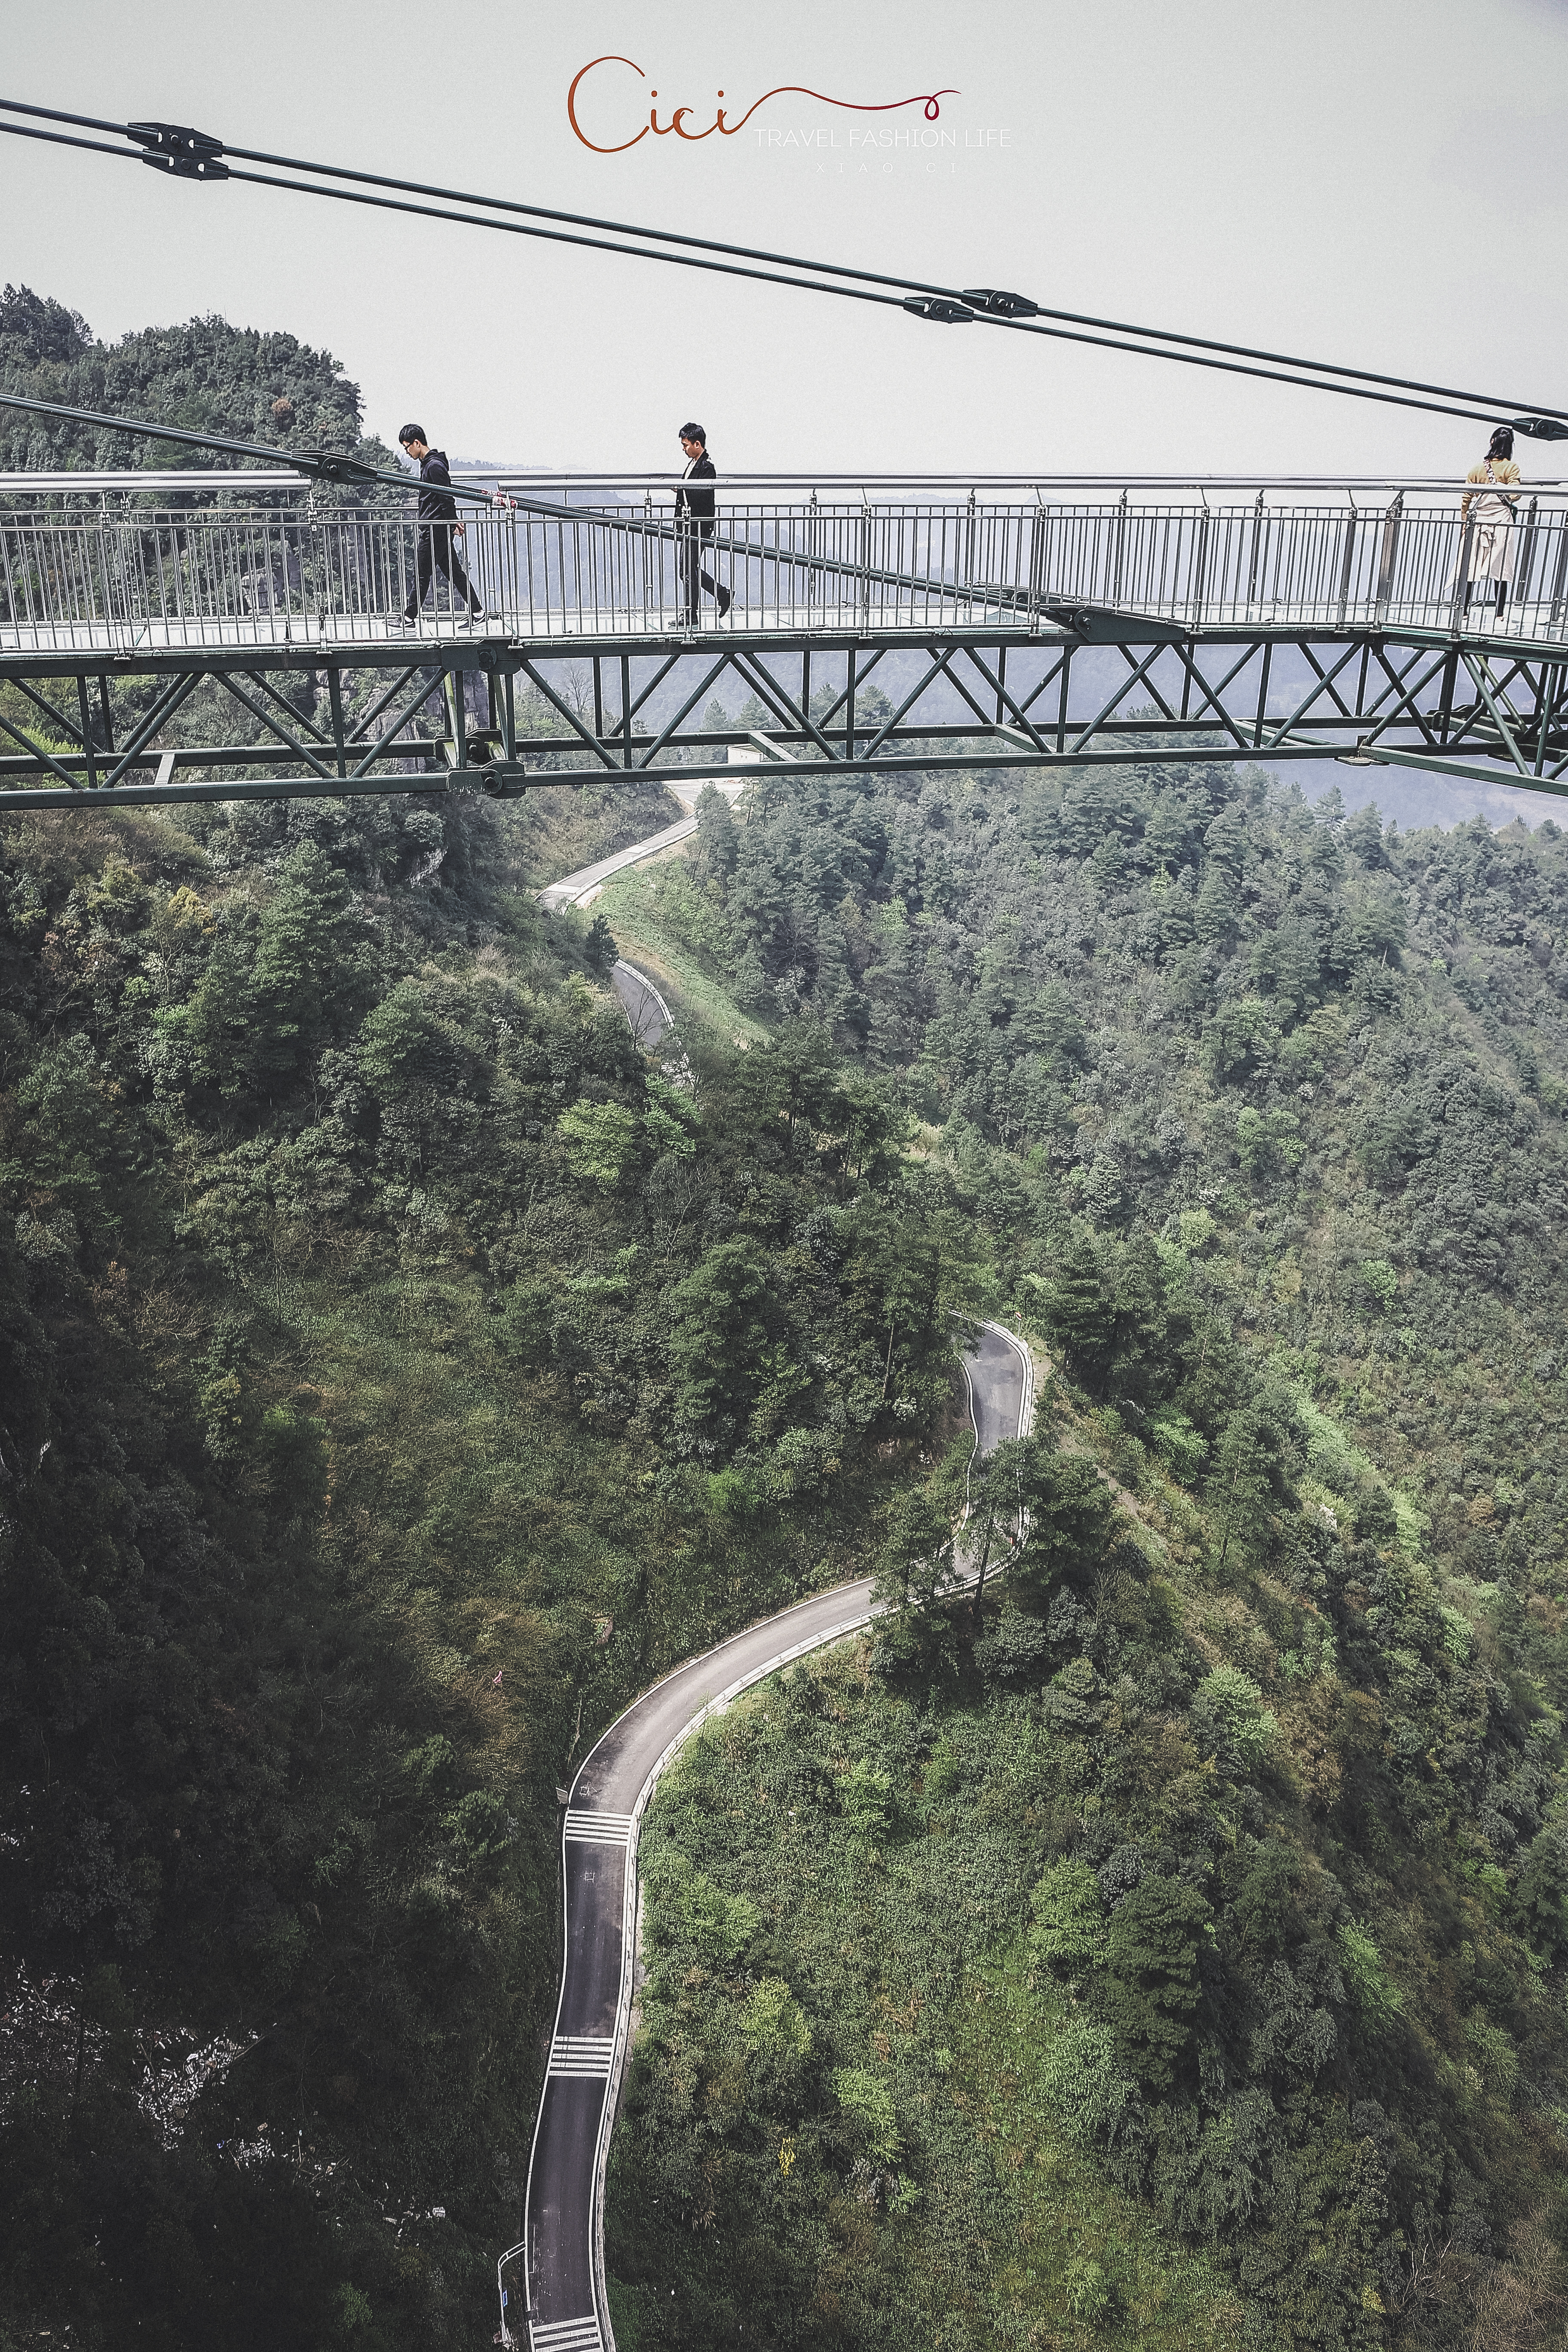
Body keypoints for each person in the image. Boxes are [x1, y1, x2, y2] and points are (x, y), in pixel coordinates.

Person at [398, 425, 483, 626]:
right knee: (453, 571)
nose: (407, 452)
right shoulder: (428, 464)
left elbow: (446, 497)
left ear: (417, 443)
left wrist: (452, 521)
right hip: (437, 527)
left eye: (407, 447)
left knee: (422, 574)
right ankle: (478, 612)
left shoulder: (434, 466)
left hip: (436, 529)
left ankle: (409, 617)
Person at [1458, 426, 1522, 618]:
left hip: (1478, 521)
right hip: (1502, 521)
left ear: (1492, 442)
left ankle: (1465, 611)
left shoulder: (1477, 468)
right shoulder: (1511, 468)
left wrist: (1464, 523)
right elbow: (1516, 495)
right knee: (1501, 565)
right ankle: (1500, 613)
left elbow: (1466, 499)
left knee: (1471, 565)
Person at [673, 423, 731, 625]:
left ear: (697, 444)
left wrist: (681, 490)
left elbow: (701, 495)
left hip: (699, 525)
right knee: (687, 569)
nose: (683, 448)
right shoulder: (693, 464)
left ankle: (692, 614)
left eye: (686, 444)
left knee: (687, 570)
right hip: (690, 525)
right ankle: (721, 595)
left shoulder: (707, 467)